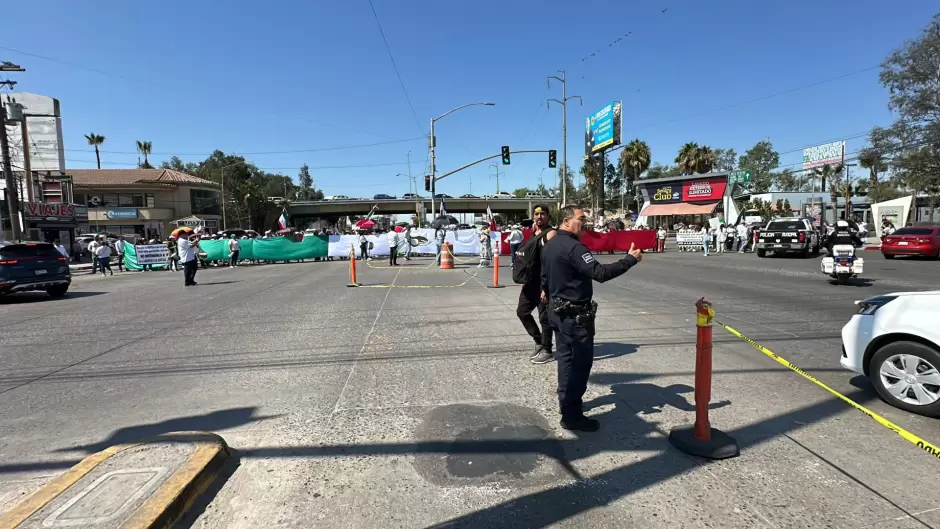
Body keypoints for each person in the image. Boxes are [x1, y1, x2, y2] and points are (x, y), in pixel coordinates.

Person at [541, 206, 643, 432]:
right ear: (567, 222)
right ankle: (572, 416)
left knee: (565, 360)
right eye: (580, 219)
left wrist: (545, 289)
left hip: (556, 312)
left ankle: (566, 404)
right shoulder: (574, 247)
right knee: (579, 365)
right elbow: (600, 273)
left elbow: (545, 275)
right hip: (575, 317)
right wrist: (630, 260)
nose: (584, 223)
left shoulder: (550, 244)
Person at [515, 205, 556, 364]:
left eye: (543, 214)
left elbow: (550, 262)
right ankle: (538, 341)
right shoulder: (533, 234)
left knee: (544, 318)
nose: (539, 217)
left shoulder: (551, 234)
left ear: (548, 216)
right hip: (530, 283)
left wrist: (545, 287)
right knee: (522, 312)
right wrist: (523, 278)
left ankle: (547, 349)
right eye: (537, 214)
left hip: (543, 283)